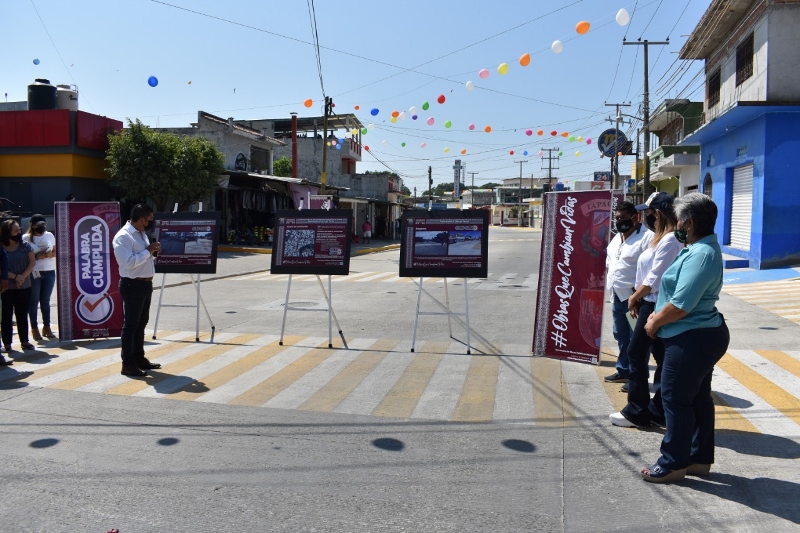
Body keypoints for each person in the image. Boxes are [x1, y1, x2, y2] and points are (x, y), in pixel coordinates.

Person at [640, 193, 730, 483]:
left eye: (678, 220)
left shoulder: (702, 254)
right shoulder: (697, 248)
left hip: (692, 336)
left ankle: (672, 462)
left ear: (688, 223)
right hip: (696, 334)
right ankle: (697, 458)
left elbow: (681, 304)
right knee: (697, 398)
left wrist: (654, 321)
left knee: (675, 398)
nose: (674, 224)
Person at [610, 192, 683, 428]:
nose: (647, 217)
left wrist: (634, 297)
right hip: (647, 300)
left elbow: (655, 276)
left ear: (659, 214)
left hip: (654, 302)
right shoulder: (660, 238)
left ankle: (637, 410)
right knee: (660, 355)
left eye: (649, 213)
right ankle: (657, 409)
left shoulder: (670, 239)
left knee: (636, 351)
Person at [604, 201, 652, 385]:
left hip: (635, 299)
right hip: (617, 295)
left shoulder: (647, 238)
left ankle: (637, 377)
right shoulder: (617, 237)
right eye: (617, 218)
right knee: (621, 335)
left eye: (624, 218)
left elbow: (651, 269)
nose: (620, 222)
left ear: (636, 217)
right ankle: (623, 370)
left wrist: (639, 296)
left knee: (637, 341)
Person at [112, 204, 162, 377]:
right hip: (132, 285)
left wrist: (152, 252)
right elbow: (128, 263)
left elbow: (144, 258)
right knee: (131, 325)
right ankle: (127, 363)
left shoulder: (141, 234)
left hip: (145, 284)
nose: (149, 224)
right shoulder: (123, 237)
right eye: (148, 221)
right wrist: (148, 251)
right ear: (141, 219)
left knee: (141, 323)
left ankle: (139, 357)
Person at [1, 220, 36, 356]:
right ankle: (7, 344)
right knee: (6, 316)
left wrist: (22, 277)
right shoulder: (1, 247)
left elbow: (32, 263)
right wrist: (15, 277)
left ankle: (25, 341)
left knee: (22, 314)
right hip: (6, 287)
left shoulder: (25, 245)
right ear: (6, 232)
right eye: (15, 230)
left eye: (19, 230)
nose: (19, 232)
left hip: (24, 285)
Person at [23, 215, 57, 341]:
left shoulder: (49, 235)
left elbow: (55, 251)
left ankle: (47, 327)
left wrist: (50, 254)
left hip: (48, 270)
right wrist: (37, 257)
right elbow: (23, 257)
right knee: (34, 301)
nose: (41, 228)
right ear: (32, 225)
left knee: (46, 301)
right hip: (34, 272)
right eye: (38, 225)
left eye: (43, 225)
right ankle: (34, 328)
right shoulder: (26, 238)